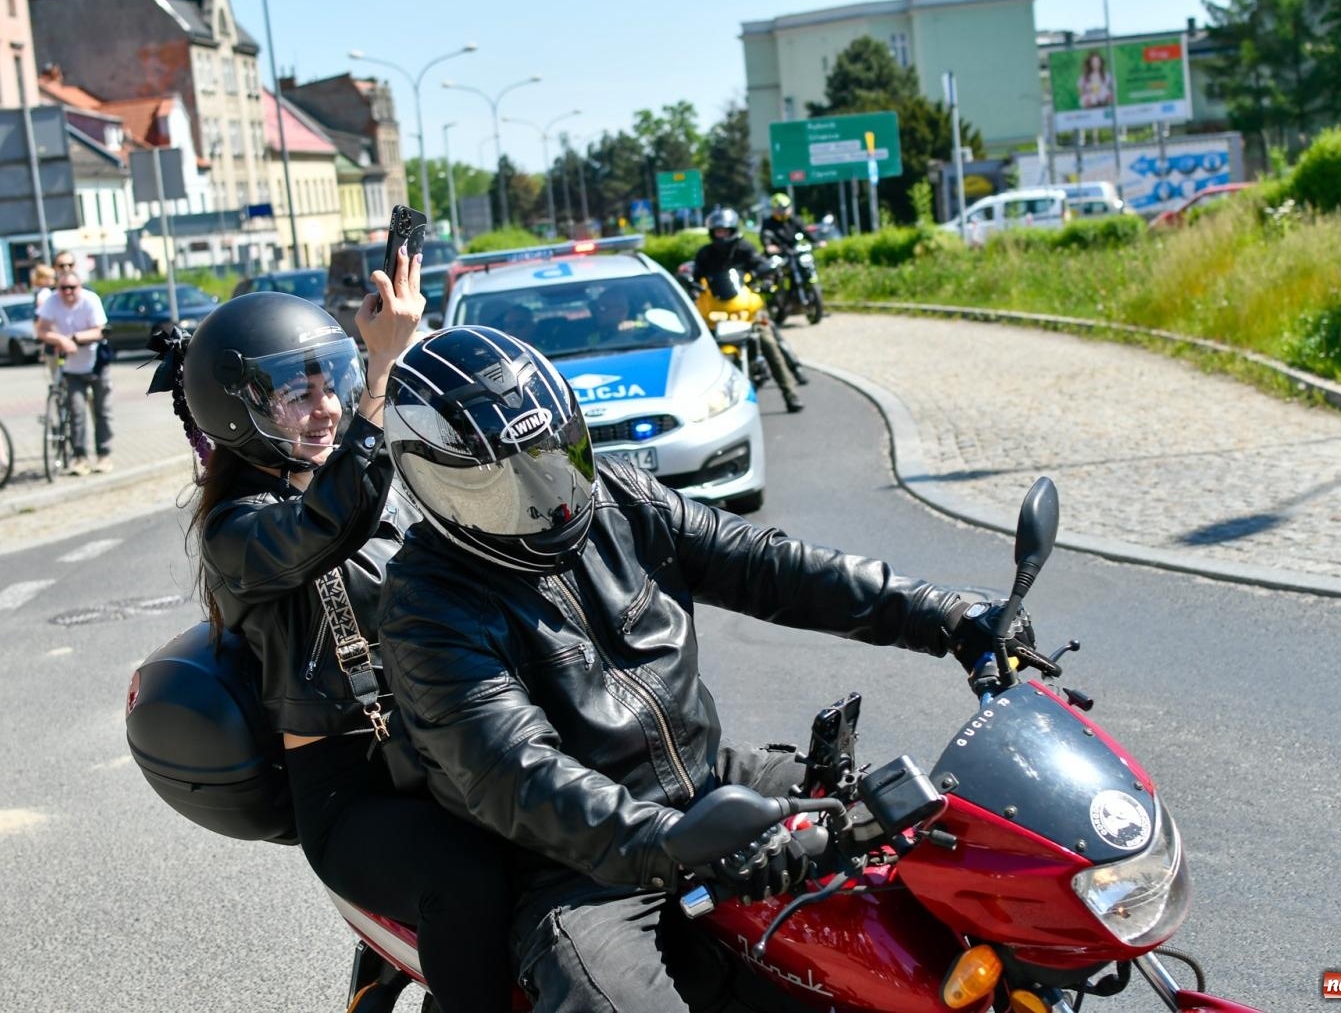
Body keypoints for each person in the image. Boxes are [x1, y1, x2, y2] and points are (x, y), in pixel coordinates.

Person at [377, 326, 1030, 1013]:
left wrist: (945, 615)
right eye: (503, 482)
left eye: (551, 456)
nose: (547, 494)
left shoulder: (619, 501)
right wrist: (674, 844)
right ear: (436, 482)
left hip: (716, 786)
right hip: (579, 866)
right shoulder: (426, 607)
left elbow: (770, 566)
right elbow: (518, 776)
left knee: (957, 843)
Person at [151, 254, 519, 1013]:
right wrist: (383, 372)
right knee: (472, 879)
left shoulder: (370, 475)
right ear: (236, 410)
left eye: (332, 385)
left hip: (449, 744)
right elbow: (328, 526)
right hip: (354, 789)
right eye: (296, 392)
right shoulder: (239, 531)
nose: (324, 409)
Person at [691, 208, 805, 413]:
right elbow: (695, 277)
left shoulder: (745, 248)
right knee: (701, 350)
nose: (721, 235)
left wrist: (767, 276)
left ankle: (790, 394)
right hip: (716, 312)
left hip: (746, 309)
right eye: (718, 231)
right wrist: (692, 285)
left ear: (733, 230)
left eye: (725, 231)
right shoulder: (705, 254)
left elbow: (761, 265)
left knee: (769, 342)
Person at [36, 272, 113, 475]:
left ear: (80, 286)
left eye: (73, 287)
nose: (68, 292)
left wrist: (74, 338)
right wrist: (60, 340)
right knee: (76, 412)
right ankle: (80, 457)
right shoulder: (52, 302)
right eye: (63, 288)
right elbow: (41, 330)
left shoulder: (90, 300)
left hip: (96, 363)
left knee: (102, 410)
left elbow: (100, 330)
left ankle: (104, 454)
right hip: (71, 367)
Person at [758, 193, 805, 257]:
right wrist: (768, 245)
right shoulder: (768, 222)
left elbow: (804, 230)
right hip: (779, 253)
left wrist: (817, 241)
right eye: (781, 208)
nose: (784, 211)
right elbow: (764, 235)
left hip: (795, 250)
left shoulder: (794, 220)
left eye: (786, 207)